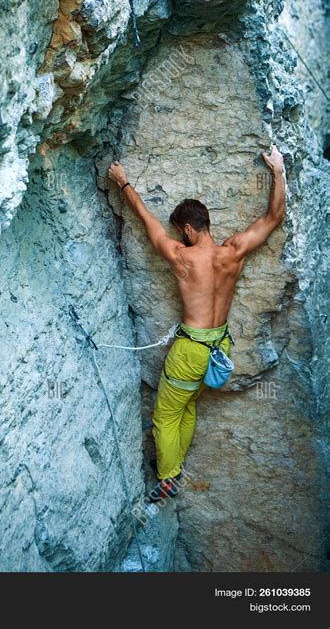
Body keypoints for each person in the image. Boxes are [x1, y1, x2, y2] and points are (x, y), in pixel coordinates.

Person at [107, 145, 285, 501]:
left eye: (180, 231)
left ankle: (169, 477)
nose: (177, 237)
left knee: (164, 416)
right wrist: (278, 172)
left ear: (188, 228)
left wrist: (123, 182)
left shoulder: (182, 257)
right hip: (220, 348)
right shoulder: (233, 251)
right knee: (187, 405)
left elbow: (148, 223)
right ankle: (177, 467)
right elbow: (273, 217)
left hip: (190, 350)